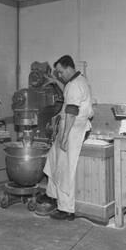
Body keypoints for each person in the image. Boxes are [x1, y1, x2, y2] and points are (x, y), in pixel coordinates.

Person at [40, 55, 94, 220]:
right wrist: (55, 82)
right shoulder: (77, 81)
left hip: (72, 130)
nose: (59, 75)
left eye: (60, 72)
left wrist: (64, 136)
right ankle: (52, 195)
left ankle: (66, 209)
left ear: (69, 68)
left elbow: (71, 113)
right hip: (70, 128)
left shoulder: (75, 85)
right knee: (53, 159)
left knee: (65, 169)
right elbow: (67, 90)